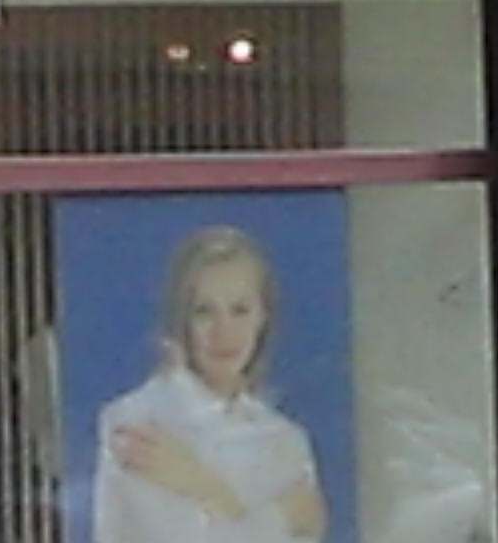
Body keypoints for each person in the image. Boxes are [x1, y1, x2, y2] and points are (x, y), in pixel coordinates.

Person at [93, 226, 327, 543]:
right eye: (204, 312)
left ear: (263, 317)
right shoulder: (135, 423)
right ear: (181, 319)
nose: (224, 331)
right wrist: (280, 517)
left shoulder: (287, 440)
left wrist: (201, 486)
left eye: (240, 310)